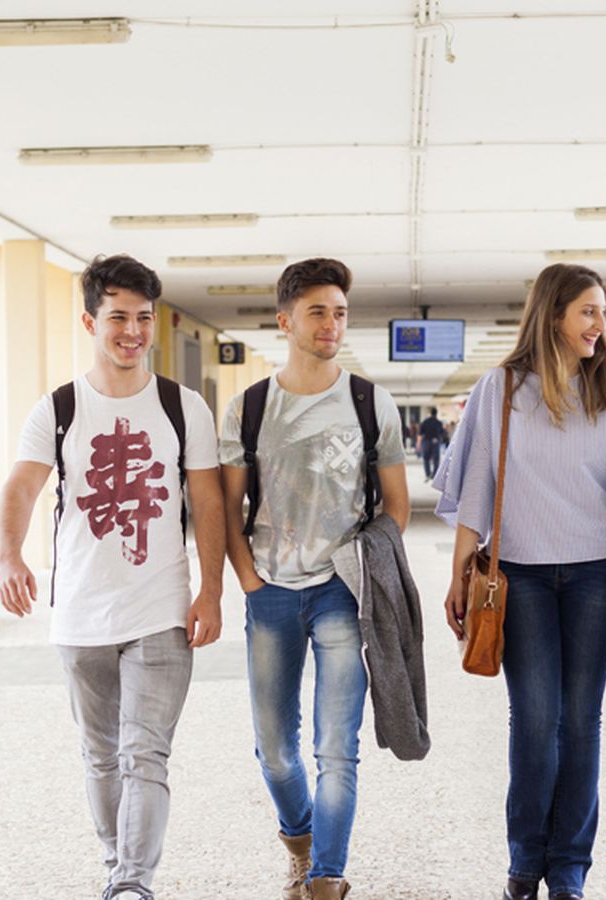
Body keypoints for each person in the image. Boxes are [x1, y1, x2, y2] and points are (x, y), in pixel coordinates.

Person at [0, 254, 226, 900]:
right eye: (118, 317)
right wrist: (9, 556)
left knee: (144, 753)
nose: (132, 331)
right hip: (81, 613)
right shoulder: (59, 408)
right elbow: (20, 488)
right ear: (90, 321)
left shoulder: (183, 407)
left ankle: (131, 882)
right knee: (101, 756)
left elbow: (208, 501)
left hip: (161, 609)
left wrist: (211, 589)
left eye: (143, 318)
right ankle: (115, 860)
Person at [436, 263, 606, 900]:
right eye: (588, 311)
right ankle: (524, 860)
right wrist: (459, 573)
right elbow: (477, 484)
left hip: (599, 573)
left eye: (602, 313)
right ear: (553, 314)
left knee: (581, 721)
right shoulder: (502, 387)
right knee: (536, 720)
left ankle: (568, 868)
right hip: (520, 576)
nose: (600, 325)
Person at [219, 257, 411, 900]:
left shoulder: (369, 402)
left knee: (337, 748)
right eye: (317, 312)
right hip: (270, 592)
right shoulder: (248, 408)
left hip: (341, 592)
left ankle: (327, 875)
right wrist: (248, 579)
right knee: (275, 750)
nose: (332, 324)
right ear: (285, 321)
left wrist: (365, 568)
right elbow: (228, 507)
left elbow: (396, 507)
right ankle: (299, 841)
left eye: (340, 313)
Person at [418, 410, 446, 481]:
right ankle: (435, 474)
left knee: (426, 458)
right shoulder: (439, 423)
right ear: (436, 413)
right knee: (436, 459)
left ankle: (428, 474)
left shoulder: (425, 422)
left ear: (430, 413)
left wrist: (418, 443)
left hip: (426, 441)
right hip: (435, 442)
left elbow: (420, 433)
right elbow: (442, 433)